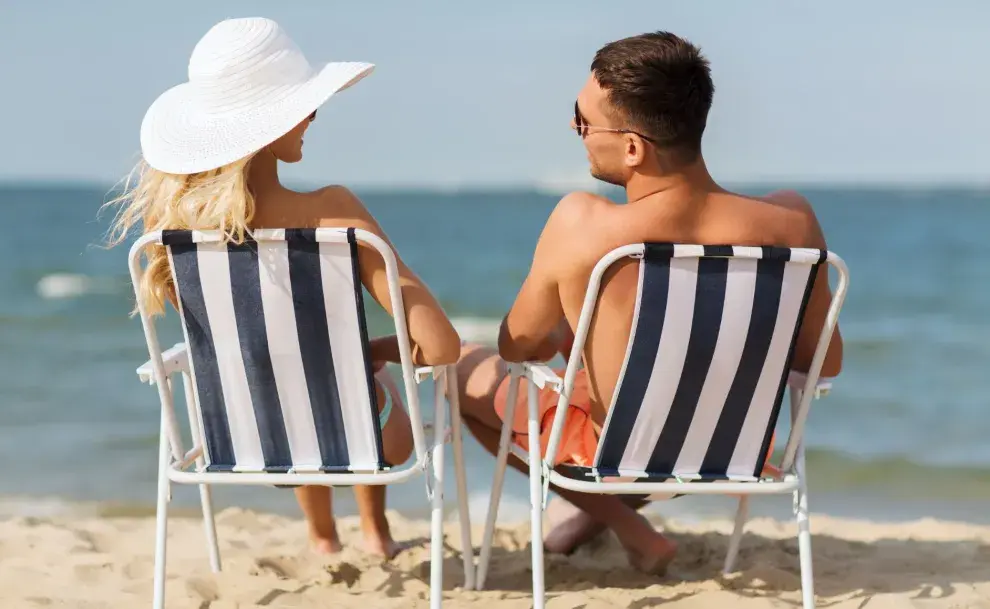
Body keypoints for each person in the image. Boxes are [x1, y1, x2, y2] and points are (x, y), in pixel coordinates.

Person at [454, 31, 844, 574]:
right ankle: (619, 525)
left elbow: (516, 347)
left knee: (460, 373)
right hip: (737, 450)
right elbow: (822, 363)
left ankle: (629, 527)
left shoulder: (584, 224)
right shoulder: (793, 220)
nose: (577, 131)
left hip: (617, 455)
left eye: (583, 121)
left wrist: (571, 332)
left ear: (634, 147)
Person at [104, 17, 460, 558]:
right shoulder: (334, 211)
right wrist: (372, 352)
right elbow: (441, 348)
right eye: (303, 105)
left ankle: (322, 537)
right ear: (268, 124)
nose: (313, 116)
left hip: (247, 443)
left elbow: (244, 343)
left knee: (303, 377)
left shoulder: (175, 236)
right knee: (354, 375)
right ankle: (376, 532)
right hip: (366, 443)